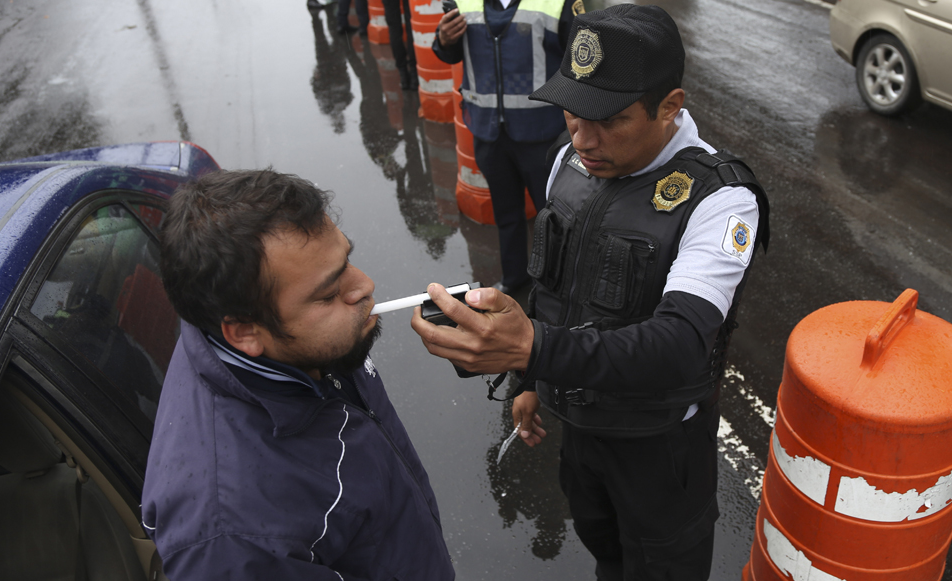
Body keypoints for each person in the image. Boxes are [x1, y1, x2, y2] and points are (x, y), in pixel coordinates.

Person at [411, 5, 771, 580]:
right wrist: (531, 381)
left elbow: (680, 343)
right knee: (605, 552)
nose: (583, 136)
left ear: (670, 107)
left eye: (609, 119)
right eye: (573, 114)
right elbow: (554, 290)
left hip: (661, 449)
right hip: (580, 434)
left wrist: (532, 350)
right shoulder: (567, 163)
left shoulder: (720, 200)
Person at [141, 170, 454, 580]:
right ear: (244, 332)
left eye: (346, 259)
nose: (363, 286)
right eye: (327, 294)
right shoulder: (232, 544)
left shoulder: (283, 337)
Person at [432, 0, 583, 293]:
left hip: (543, 135)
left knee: (555, 218)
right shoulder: (463, 2)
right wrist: (442, 40)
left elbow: (581, 61)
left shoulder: (556, 3)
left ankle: (560, 289)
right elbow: (449, 52)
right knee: (507, 215)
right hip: (489, 134)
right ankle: (515, 281)